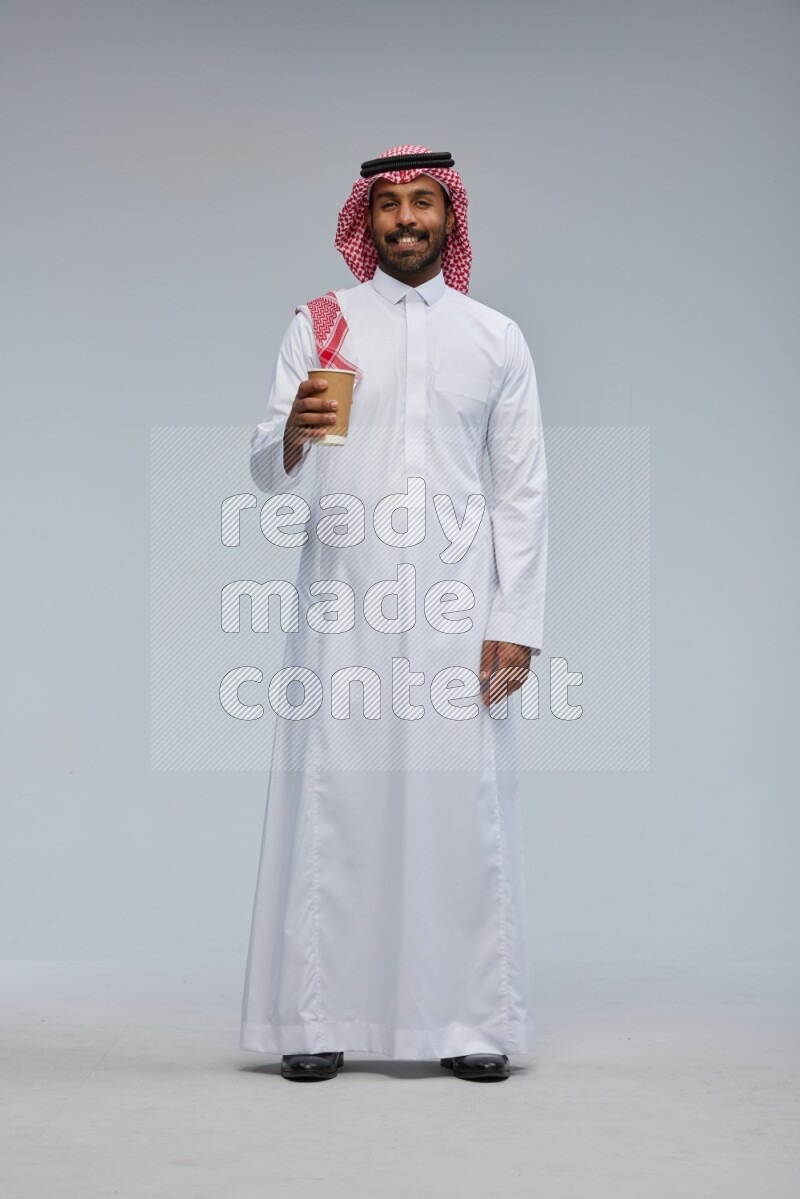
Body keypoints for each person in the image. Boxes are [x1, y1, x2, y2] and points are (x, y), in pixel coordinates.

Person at [241, 145, 548, 1082]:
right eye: (389, 205)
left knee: (461, 805)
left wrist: (516, 620)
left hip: (460, 609)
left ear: (450, 217)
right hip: (345, 599)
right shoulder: (323, 324)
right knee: (335, 800)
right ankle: (316, 1017)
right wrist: (291, 434)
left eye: (423, 203)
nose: (406, 219)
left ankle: (469, 1021)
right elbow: (266, 468)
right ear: (364, 220)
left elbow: (523, 490)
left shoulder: (495, 337)